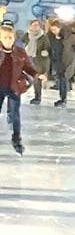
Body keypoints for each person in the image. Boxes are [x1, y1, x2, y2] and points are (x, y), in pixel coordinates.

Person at [0, 24, 40, 153]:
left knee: (15, 115)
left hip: (14, 88)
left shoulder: (20, 52)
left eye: (10, 37)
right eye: (5, 37)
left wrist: (36, 74)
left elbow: (28, 67)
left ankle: (16, 138)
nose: (8, 40)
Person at [24, 19, 45, 104]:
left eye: (37, 25)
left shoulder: (43, 37)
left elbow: (46, 48)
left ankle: (37, 97)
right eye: (33, 25)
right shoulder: (26, 35)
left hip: (38, 59)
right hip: (27, 58)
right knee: (25, 75)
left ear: (40, 27)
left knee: (36, 79)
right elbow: (22, 44)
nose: (34, 27)